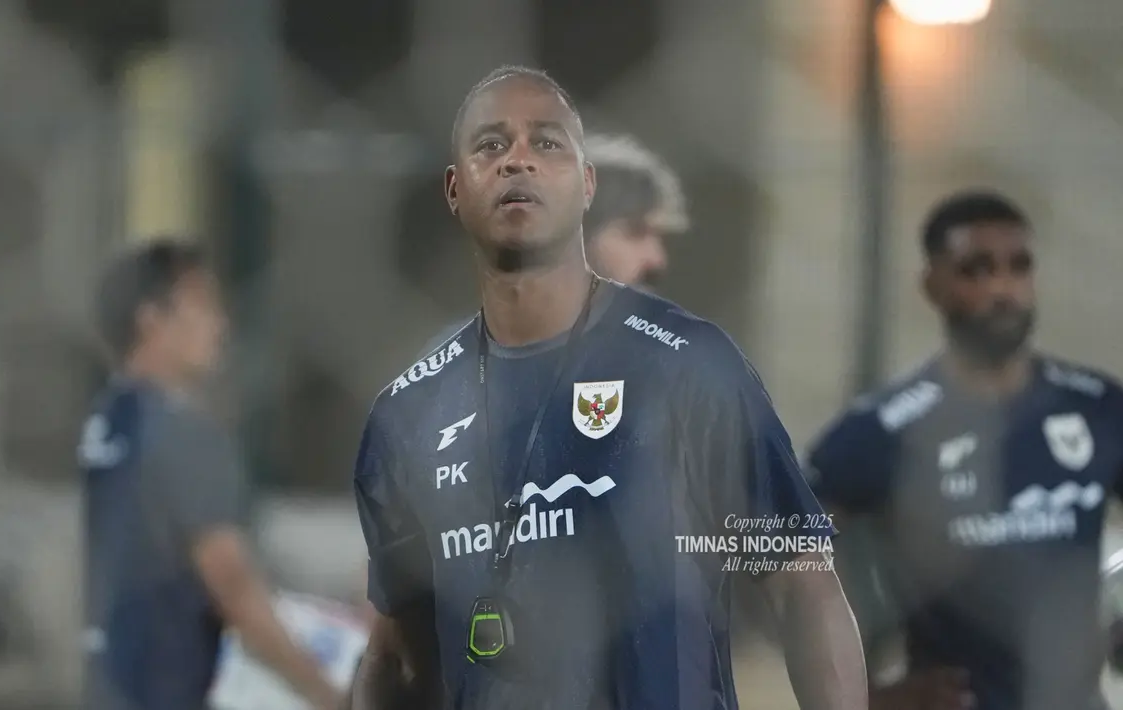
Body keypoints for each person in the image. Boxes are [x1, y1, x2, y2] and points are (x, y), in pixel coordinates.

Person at [350, 65, 867, 710]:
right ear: (455, 190)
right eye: (490, 145)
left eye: (547, 143)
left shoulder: (687, 365)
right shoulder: (408, 414)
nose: (518, 161)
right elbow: (398, 651)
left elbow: (801, 587)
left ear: (587, 184)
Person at [805, 190, 1123, 710]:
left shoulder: (1096, 407)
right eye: (976, 270)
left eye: (1018, 267)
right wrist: (865, 696)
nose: (1002, 289)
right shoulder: (886, 428)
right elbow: (773, 550)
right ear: (933, 285)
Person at [79, 238, 341, 710]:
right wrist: (330, 695)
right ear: (152, 319)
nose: (220, 326)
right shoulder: (184, 435)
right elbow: (234, 589)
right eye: (203, 307)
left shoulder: (107, 422)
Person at [415, 131, 688, 358]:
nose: (657, 259)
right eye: (635, 232)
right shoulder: (457, 362)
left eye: (658, 237)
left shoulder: (670, 356)